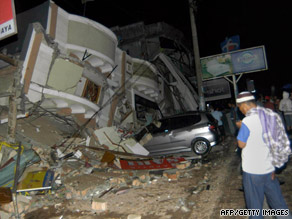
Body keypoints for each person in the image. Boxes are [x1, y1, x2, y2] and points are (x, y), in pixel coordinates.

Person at [236, 91, 292, 218]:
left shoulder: (247, 121)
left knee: (255, 209)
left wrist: (240, 127)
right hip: (269, 170)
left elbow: (241, 144)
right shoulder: (272, 116)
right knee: (279, 205)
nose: (241, 110)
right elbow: (279, 141)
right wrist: (275, 166)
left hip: (252, 172)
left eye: (239, 107)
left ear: (244, 105)